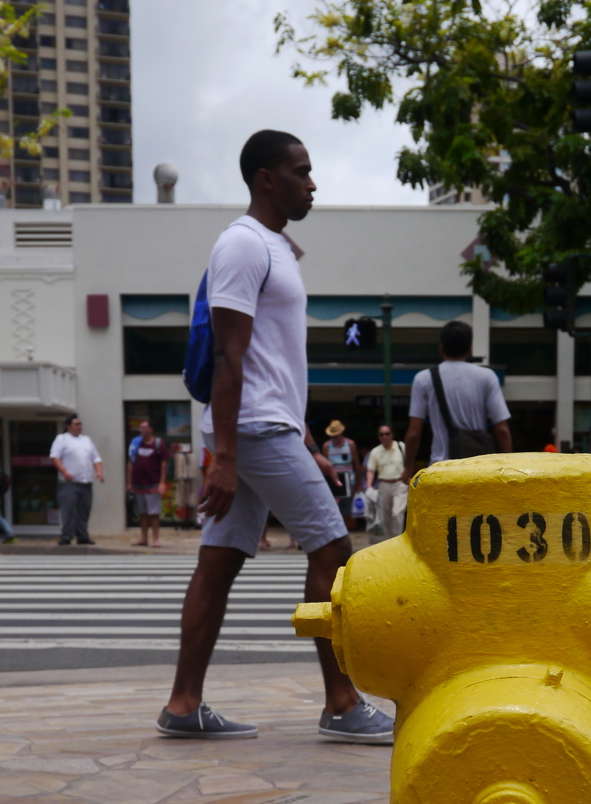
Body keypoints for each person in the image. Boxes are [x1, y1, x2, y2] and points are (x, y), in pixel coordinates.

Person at [156, 129, 393, 742]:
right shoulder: (241, 245)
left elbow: (273, 361)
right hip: (253, 431)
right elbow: (231, 359)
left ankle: (184, 704)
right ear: (267, 178)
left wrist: (308, 437)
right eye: (302, 172)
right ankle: (341, 703)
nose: (313, 183)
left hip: (269, 425)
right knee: (334, 549)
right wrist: (225, 458)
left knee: (218, 563)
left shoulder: (275, 247)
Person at [403, 320, 512, 477]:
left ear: (441, 348)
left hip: (440, 470)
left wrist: (408, 467)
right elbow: (502, 430)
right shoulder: (487, 377)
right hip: (477, 470)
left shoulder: (424, 379)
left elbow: (414, 433)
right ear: (469, 349)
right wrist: (507, 466)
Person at [50, 414, 104, 545]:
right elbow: (54, 457)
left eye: (80, 424)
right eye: (76, 424)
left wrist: (99, 472)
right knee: (68, 510)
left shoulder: (86, 440)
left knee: (84, 511)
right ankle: (66, 536)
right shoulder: (62, 439)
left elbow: (96, 458)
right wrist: (64, 472)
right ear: (68, 426)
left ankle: (82, 536)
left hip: (85, 482)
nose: (79, 426)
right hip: (69, 483)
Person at [127, 419, 168, 547]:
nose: (141, 430)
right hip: (139, 483)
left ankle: (156, 539)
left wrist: (162, 482)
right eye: (140, 428)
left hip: (153, 483)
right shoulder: (135, 444)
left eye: (144, 427)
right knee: (142, 513)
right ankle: (143, 538)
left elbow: (164, 463)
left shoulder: (158, 444)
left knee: (154, 513)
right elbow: (130, 463)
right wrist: (129, 482)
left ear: (151, 429)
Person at [366, 423, 407, 538]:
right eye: (381, 434)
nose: (384, 436)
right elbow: (371, 470)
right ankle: (390, 541)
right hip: (384, 484)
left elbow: (409, 463)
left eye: (387, 434)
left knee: (397, 513)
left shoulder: (401, 446)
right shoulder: (375, 452)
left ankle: (398, 539)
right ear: (379, 437)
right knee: (386, 516)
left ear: (392, 435)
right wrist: (369, 487)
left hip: (400, 484)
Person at [322, 420, 363, 517]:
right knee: (334, 510)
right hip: (334, 482)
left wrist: (359, 483)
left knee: (348, 509)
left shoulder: (350, 444)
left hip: (350, 481)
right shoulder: (326, 446)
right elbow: (324, 468)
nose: (334, 437)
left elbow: (357, 465)